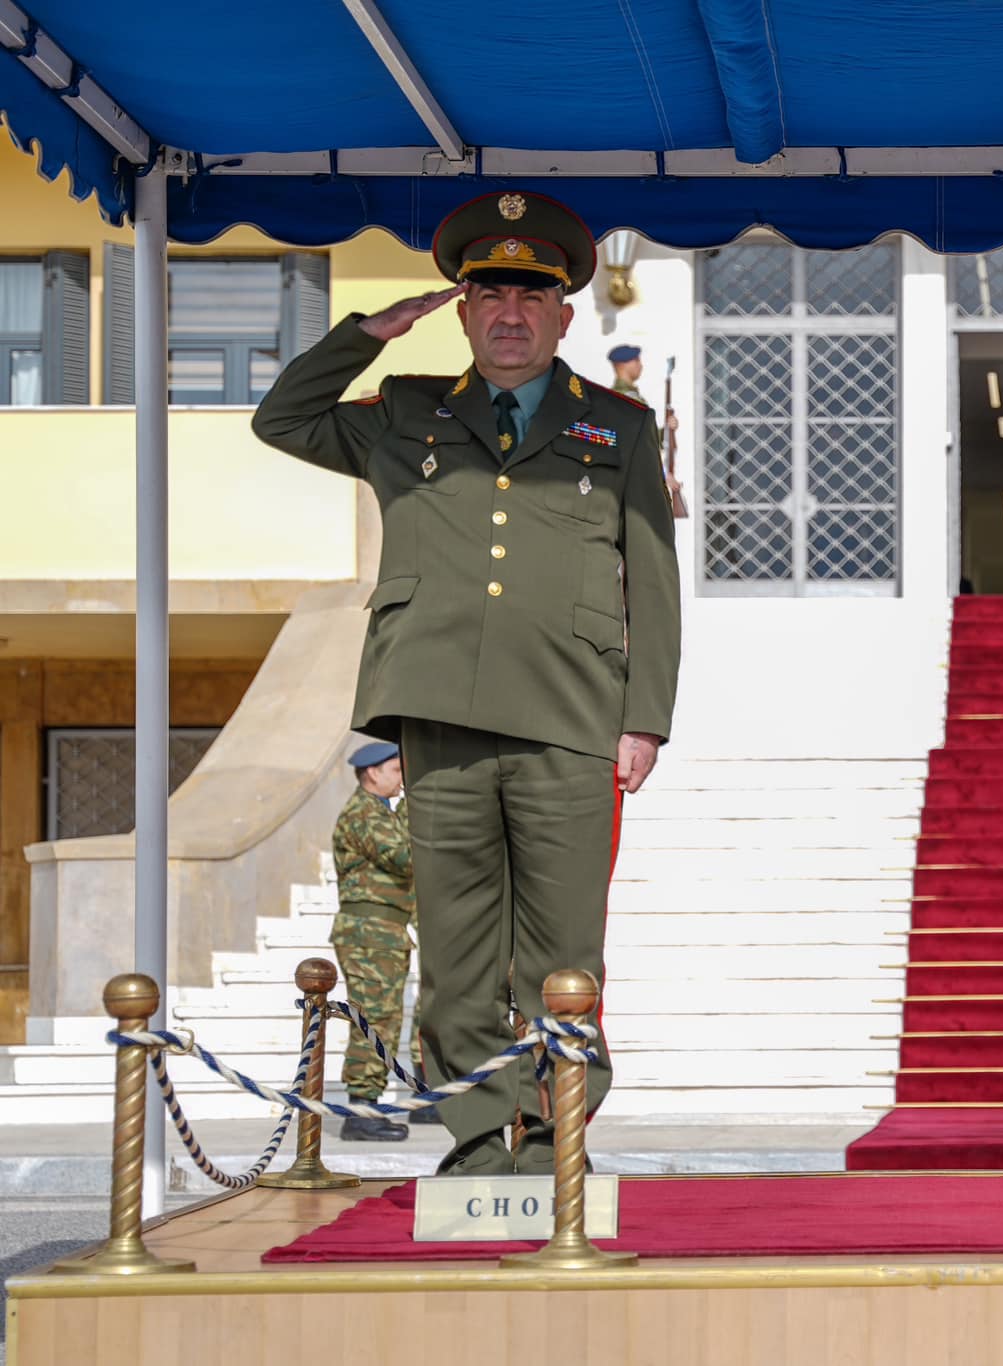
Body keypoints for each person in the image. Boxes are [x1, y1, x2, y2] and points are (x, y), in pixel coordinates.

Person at [252, 189, 683, 1176]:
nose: (509, 313)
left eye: (531, 297)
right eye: (488, 293)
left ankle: (553, 1139)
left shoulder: (614, 426)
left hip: (572, 717)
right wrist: (366, 333)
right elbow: (282, 418)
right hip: (438, 711)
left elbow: (650, 578)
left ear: (563, 314)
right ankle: (481, 1142)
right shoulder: (404, 413)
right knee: (451, 950)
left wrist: (644, 716)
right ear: (462, 310)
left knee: (563, 949)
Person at [329, 740, 430, 1140]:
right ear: (372, 772)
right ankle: (361, 1110)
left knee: (387, 1018)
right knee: (373, 1019)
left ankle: (379, 1103)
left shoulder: (382, 812)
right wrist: (415, 807)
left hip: (386, 932)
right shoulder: (362, 815)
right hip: (367, 933)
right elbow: (406, 856)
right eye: (396, 771)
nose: (402, 781)